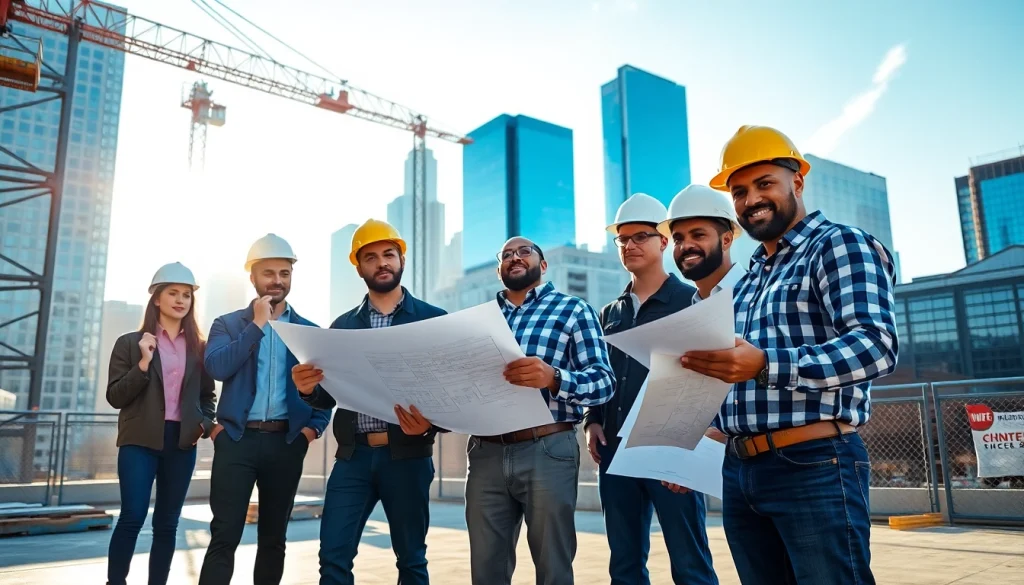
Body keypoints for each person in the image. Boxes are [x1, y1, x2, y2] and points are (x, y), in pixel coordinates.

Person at [681, 125, 898, 584]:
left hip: (814, 463)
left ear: (796, 182)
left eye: (764, 185)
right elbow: (733, 379)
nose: (750, 200)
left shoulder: (838, 245)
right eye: (739, 192)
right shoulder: (750, 276)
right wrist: (696, 446)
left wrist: (766, 364)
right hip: (741, 472)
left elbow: (875, 346)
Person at [291, 219, 447, 585]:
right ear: (359, 267)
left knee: (411, 560)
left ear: (401, 260)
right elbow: (328, 396)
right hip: (353, 459)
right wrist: (306, 389)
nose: (382, 263)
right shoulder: (342, 326)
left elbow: (450, 392)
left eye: (389, 254)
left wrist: (430, 424)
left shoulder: (433, 320)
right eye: (371, 257)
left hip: (408, 458)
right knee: (332, 556)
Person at [582, 194, 717, 585]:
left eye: (640, 236)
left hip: (673, 448)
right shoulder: (609, 313)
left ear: (664, 242)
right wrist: (592, 420)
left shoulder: (691, 301)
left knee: (690, 563)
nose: (630, 245)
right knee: (624, 564)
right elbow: (601, 373)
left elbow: (712, 378)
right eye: (622, 239)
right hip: (614, 451)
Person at [466, 236, 614, 585]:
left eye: (524, 251)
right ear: (499, 269)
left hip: (548, 448)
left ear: (543, 265)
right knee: (485, 570)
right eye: (506, 255)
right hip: (485, 451)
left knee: (553, 568)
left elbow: (604, 383)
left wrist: (553, 378)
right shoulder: (478, 321)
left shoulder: (573, 310)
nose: (514, 257)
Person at [199, 234, 331, 585]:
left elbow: (326, 393)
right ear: (253, 277)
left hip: (286, 443)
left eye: (284, 273)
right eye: (269, 272)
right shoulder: (227, 324)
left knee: (274, 539)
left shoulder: (308, 331)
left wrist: (311, 430)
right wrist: (257, 325)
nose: (277, 280)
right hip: (237, 442)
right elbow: (216, 368)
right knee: (225, 535)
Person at [105, 262, 216, 585]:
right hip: (139, 441)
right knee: (132, 517)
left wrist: (203, 425)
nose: (181, 300)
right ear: (156, 298)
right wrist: (142, 363)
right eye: (173, 293)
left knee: (167, 524)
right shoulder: (129, 343)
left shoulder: (199, 347)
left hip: (181, 443)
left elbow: (208, 396)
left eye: (186, 295)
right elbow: (115, 396)